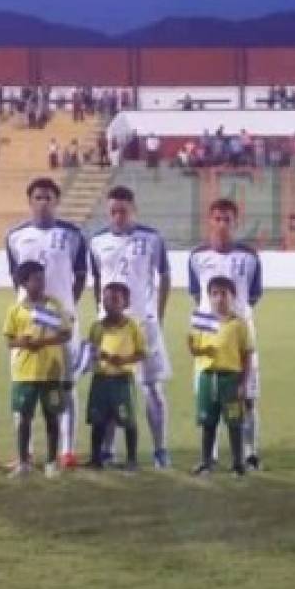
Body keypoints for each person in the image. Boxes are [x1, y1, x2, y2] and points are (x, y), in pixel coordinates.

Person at [88, 186, 173, 468]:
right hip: (111, 328)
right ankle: (108, 451)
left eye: (123, 210)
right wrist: (100, 313)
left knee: (153, 389)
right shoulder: (97, 241)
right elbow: (97, 281)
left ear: (133, 209)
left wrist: (157, 316)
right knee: (110, 387)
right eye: (113, 211)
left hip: (144, 324)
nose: (118, 216)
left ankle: (160, 449)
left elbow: (164, 278)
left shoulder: (152, 238)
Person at [5, 179, 87, 468]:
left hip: (62, 323)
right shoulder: (15, 236)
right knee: (24, 387)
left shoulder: (73, 234)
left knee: (66, 386)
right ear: (30, 201)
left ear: (57, 200)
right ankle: (24, 453)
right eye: (38, 197)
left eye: (48, 197)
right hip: (26, 326)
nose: (43, 202)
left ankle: (66, 450)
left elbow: (80, 276)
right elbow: (16, 277)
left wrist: (66, 308)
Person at [188, 198, 264, 469]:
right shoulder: (197, 256)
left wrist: (234, 321)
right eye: (217, 219)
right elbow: (197, 295)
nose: (222, 224)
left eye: (227, 219)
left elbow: (253, 295)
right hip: (207, 331)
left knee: (247, 395)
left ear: (236, 222)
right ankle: (211, 458)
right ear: (210, 221)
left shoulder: (249, 257)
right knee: (209, 396)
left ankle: (249, 453)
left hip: (239, 329)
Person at [3, 261, 72, 478]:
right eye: (36, 279)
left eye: (43, 278)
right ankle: (24, 462)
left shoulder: (53, 305)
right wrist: (22, 342)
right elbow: (9, 341)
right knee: (24, 418)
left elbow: (66, 334)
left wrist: (43, 343)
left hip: (50, 372)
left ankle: (52, 461)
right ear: (24, 283)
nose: (42, 283)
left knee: (52, 417)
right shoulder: (15, 310)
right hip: (24, 373)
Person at [188, 276, 254, 477]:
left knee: (234, 422)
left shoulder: (239, 324)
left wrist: (243, 382)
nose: (219, 299)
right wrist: (195, 347)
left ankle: (238, 463)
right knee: (208, 422)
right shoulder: (202, 322)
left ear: (232, 296)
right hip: (208, 377)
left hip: (230, 379)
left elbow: (246, 354)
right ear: (209, 297)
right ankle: (206, 462)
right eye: (214, 294)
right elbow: (195, 349)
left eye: (223, 294)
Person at [84, 282, 146, 471]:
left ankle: (132, 459)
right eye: (106, 298)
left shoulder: (132, 326)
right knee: (98, 420)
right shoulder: (96, 327)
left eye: (115, 299)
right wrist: (93, 356)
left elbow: (142, 353)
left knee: (127, 420)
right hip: (101, 379)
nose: (109, 303)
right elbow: (91, 351)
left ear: (125, 302)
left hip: (122, 379)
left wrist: (123, 360)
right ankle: (96, 458)